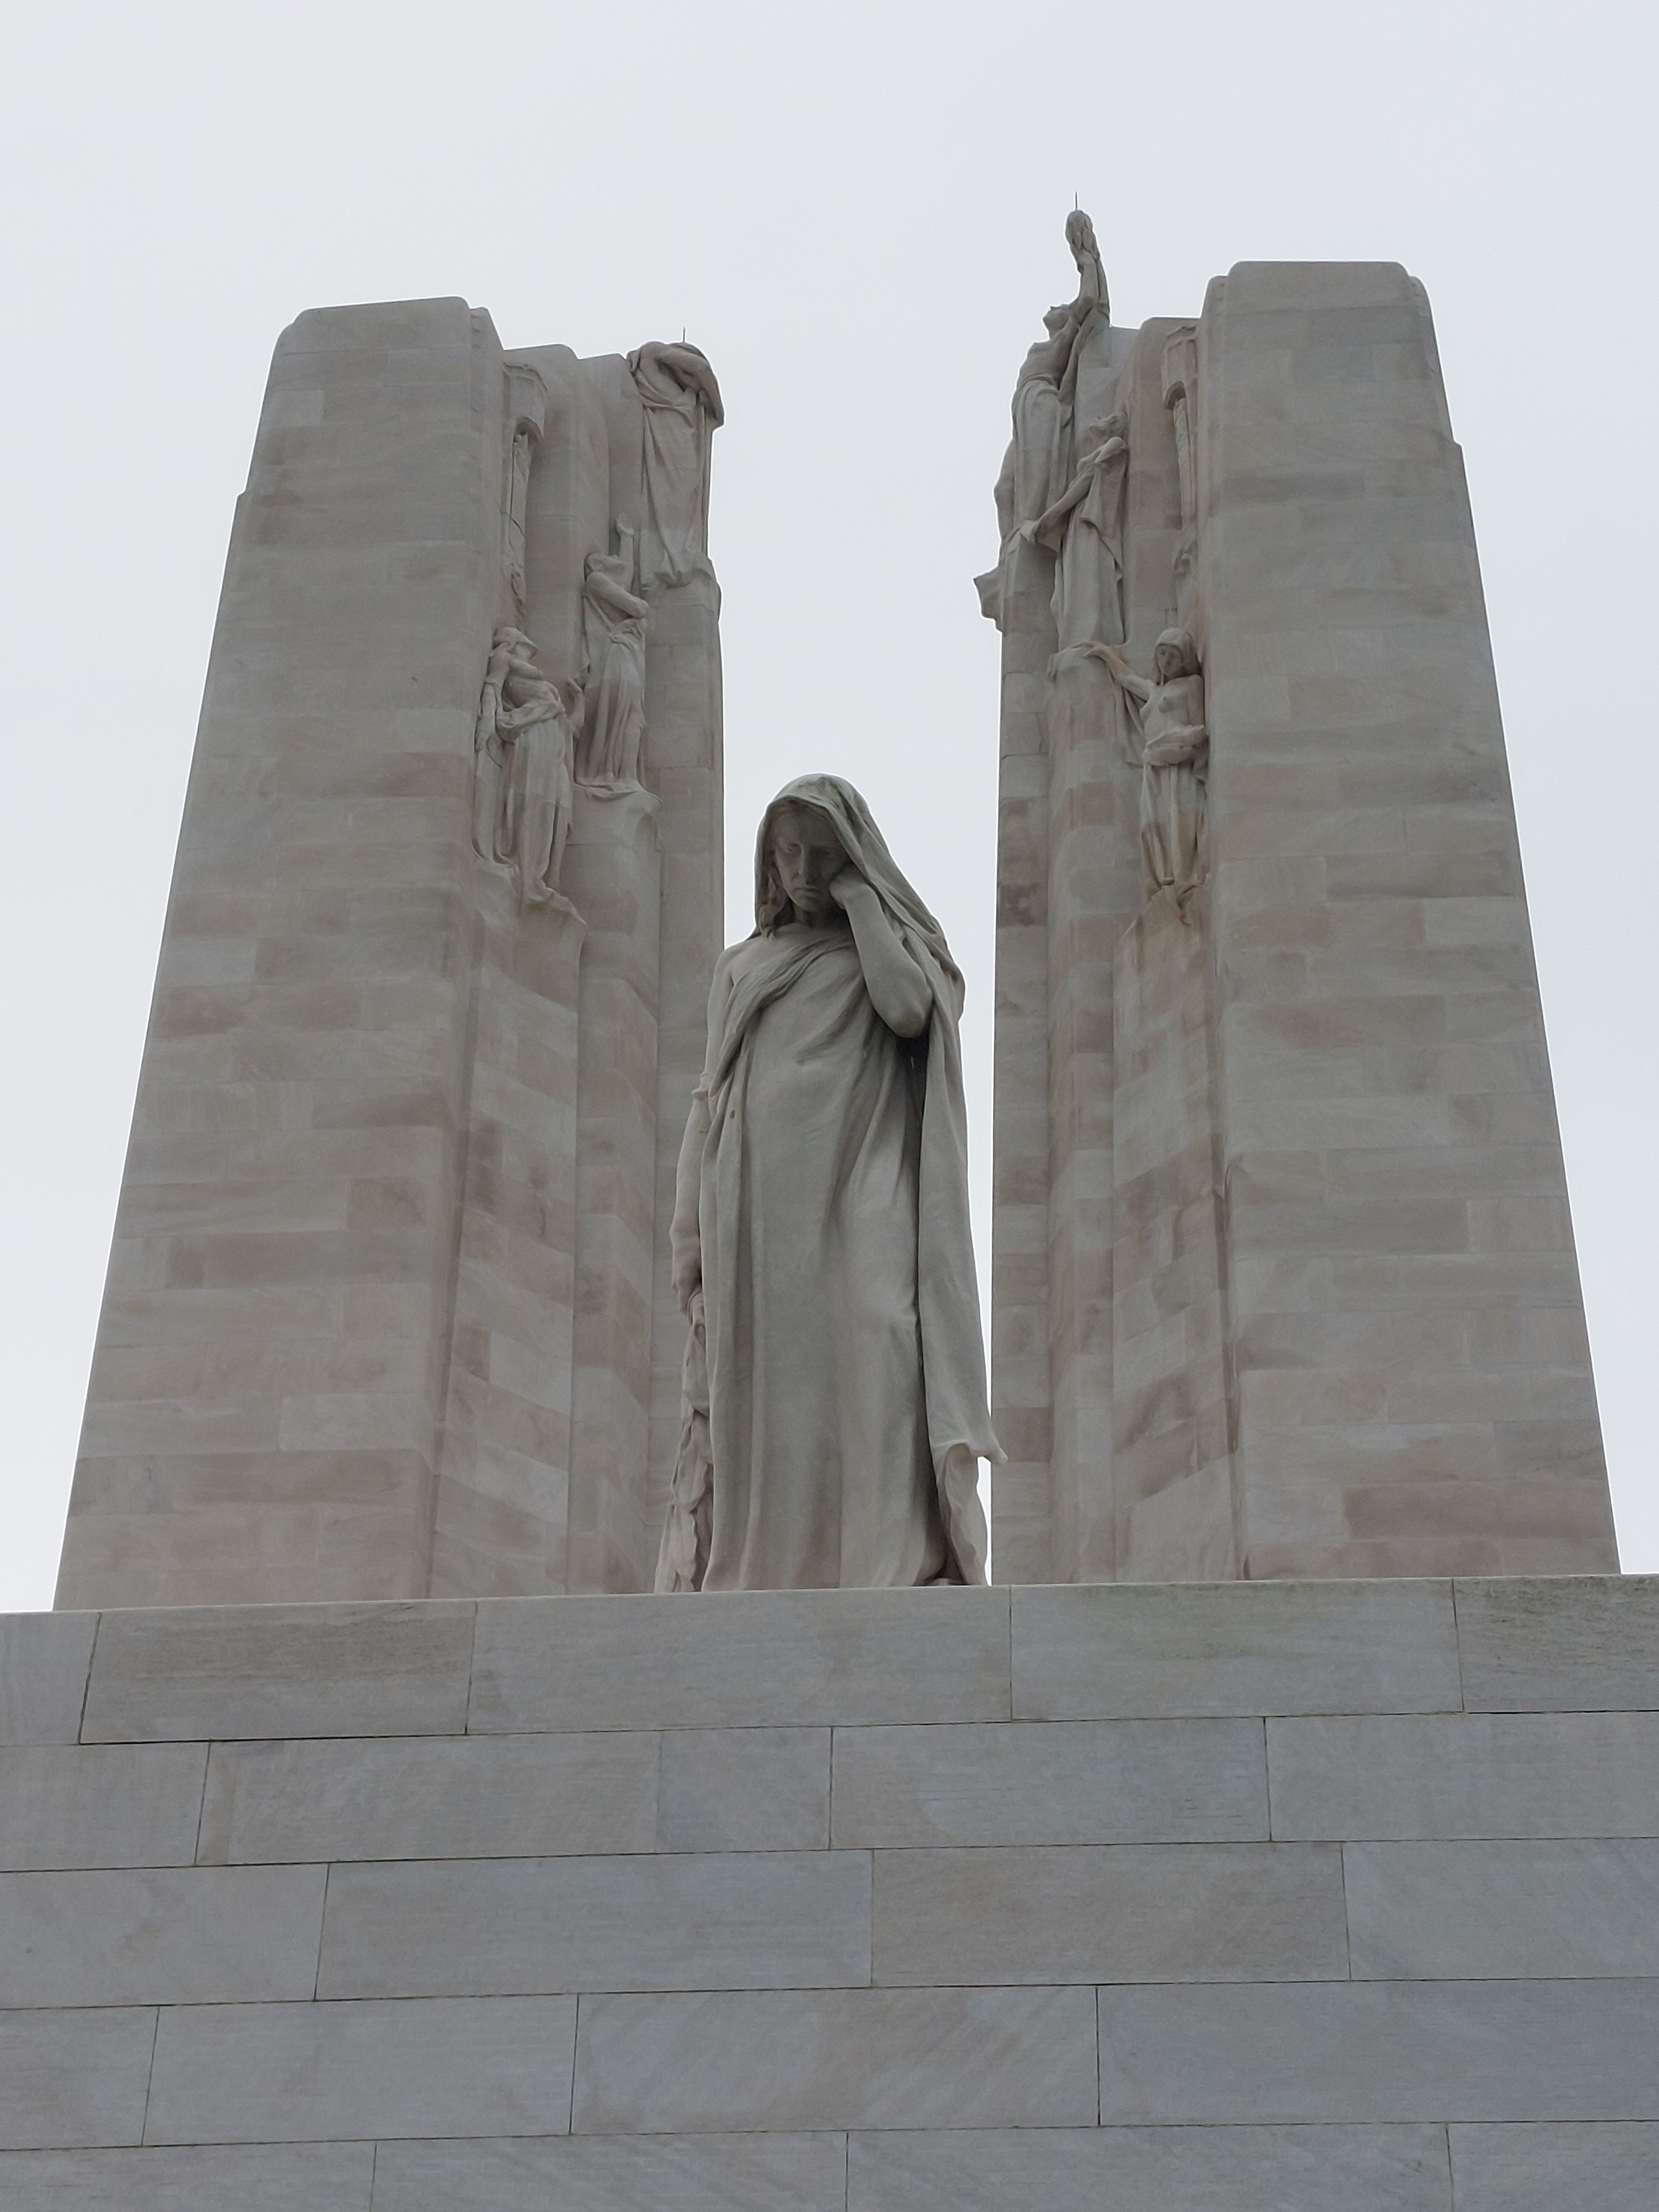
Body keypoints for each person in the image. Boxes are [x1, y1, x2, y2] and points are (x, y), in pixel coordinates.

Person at [656, 774, 999, 1592]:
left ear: (853, 854)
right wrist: (689, 1230)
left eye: (821, 854)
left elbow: (909, 1009)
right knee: (772, 1382)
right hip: (759, 1200)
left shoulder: (885, 950)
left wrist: (865, 904)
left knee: (882, 1335)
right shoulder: (743, 965)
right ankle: (771, 1561)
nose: (804, 871)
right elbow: (709, 1094)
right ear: (768, 861)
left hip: (862, 1179)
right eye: (788, 853)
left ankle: (890, 1560)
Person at [1099, 629, 1209, 914]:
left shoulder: (1192, 685)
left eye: (1174, 656)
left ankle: (1184, 881)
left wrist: (1178, 743)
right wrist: (1101, 652)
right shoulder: (1153, 691)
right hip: (1154, 768)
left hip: (1178, 766)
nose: (1167, 661)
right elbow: (1126, 678)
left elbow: (1199, 730)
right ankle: (1166, 881)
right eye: (1163, 653)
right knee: (1152, 824)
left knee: (1178, 820)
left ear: (1185, 660)